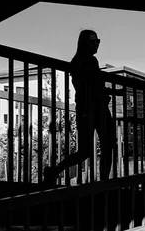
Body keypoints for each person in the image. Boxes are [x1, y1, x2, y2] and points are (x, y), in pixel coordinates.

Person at [43, 29, 120, 186]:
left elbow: (91, 86)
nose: (97, 44)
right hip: (92, 108)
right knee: (105, 144)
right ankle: (103, 180)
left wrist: (109, 92)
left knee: (92, 147)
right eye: (93, 42)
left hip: (90, 108)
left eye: (98, 41)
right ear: (85, 43)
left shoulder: (83, 61)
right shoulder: (86, 61)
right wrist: (107, 93)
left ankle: (55, 170)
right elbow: (89, 86)